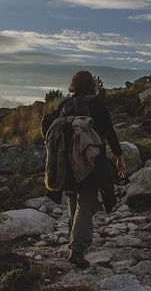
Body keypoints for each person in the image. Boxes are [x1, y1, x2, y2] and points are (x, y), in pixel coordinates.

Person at [53, 70, 126, 268]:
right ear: (92, 84)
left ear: (73, 85)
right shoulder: (96, 104)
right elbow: (109, 131)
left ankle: (74, 240)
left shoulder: (64, 105)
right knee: (88, 201)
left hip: (67, 161)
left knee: (72, 199)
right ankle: (77, 248)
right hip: (89, 161)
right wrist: (119, 156)